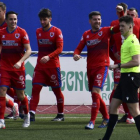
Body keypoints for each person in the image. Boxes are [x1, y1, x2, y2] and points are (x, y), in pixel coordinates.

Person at [73, 6, 124, 130]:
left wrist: (121, 13)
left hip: (102, 66)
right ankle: (106, 117)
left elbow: (120, 26)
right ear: (90, 21)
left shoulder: (107, 31)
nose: (98, 21)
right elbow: (78, 48)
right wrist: (76, 54)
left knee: (96, 92)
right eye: (95, 19)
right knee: (95, 94)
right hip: (90, 67)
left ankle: (92, 121)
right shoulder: (86, 34)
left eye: (99, 19)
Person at [102, 15, 140, 140]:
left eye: (122, 26)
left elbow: (136, 61)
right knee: (113, 106)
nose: (120, 28)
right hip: (125, 77)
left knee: (133, 110)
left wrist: (118, 65)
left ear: (130, 26)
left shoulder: (133, 41)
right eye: (120, 26)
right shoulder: (126, 40)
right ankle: (106, 138)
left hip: (131, 77)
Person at [29, 8, 64, 122]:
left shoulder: (57, 31)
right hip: (40, 66)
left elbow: (60, 49)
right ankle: (32, 113)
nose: (42, 22)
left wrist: (49, 56)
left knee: (57, 91)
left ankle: (60, 114)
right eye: (41, 19)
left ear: (50, 19)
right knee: (35, 88)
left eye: (45, 19)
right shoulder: (38, 31)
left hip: (53, 66)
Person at [0, 11, 31, 128]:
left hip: (18, 69)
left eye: (15, 19)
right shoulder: (1, 33)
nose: (13, 21)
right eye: (11, 19)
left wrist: (20, 61)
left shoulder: (22, 32)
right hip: (4, 68)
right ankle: (1, 120)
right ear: (6, 20)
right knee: (2, 90)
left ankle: (27, 115)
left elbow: (28, 50)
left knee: (21, 95)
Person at [110, 3, 140, 124]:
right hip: (123, 67)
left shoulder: (133, 37)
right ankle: (128, 115)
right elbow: (110, 40)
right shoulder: (116, 25)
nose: (130, 16)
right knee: (115, 100)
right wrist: (113, 56)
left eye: (132, 15)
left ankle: (131, 116)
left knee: (133, 101)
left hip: (132, 68)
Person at [0, 2, 20, 120]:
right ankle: (14, 106)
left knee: (3, 88)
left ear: (3, 12)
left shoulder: (8, 27)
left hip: (7, 63)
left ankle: (18, 104)